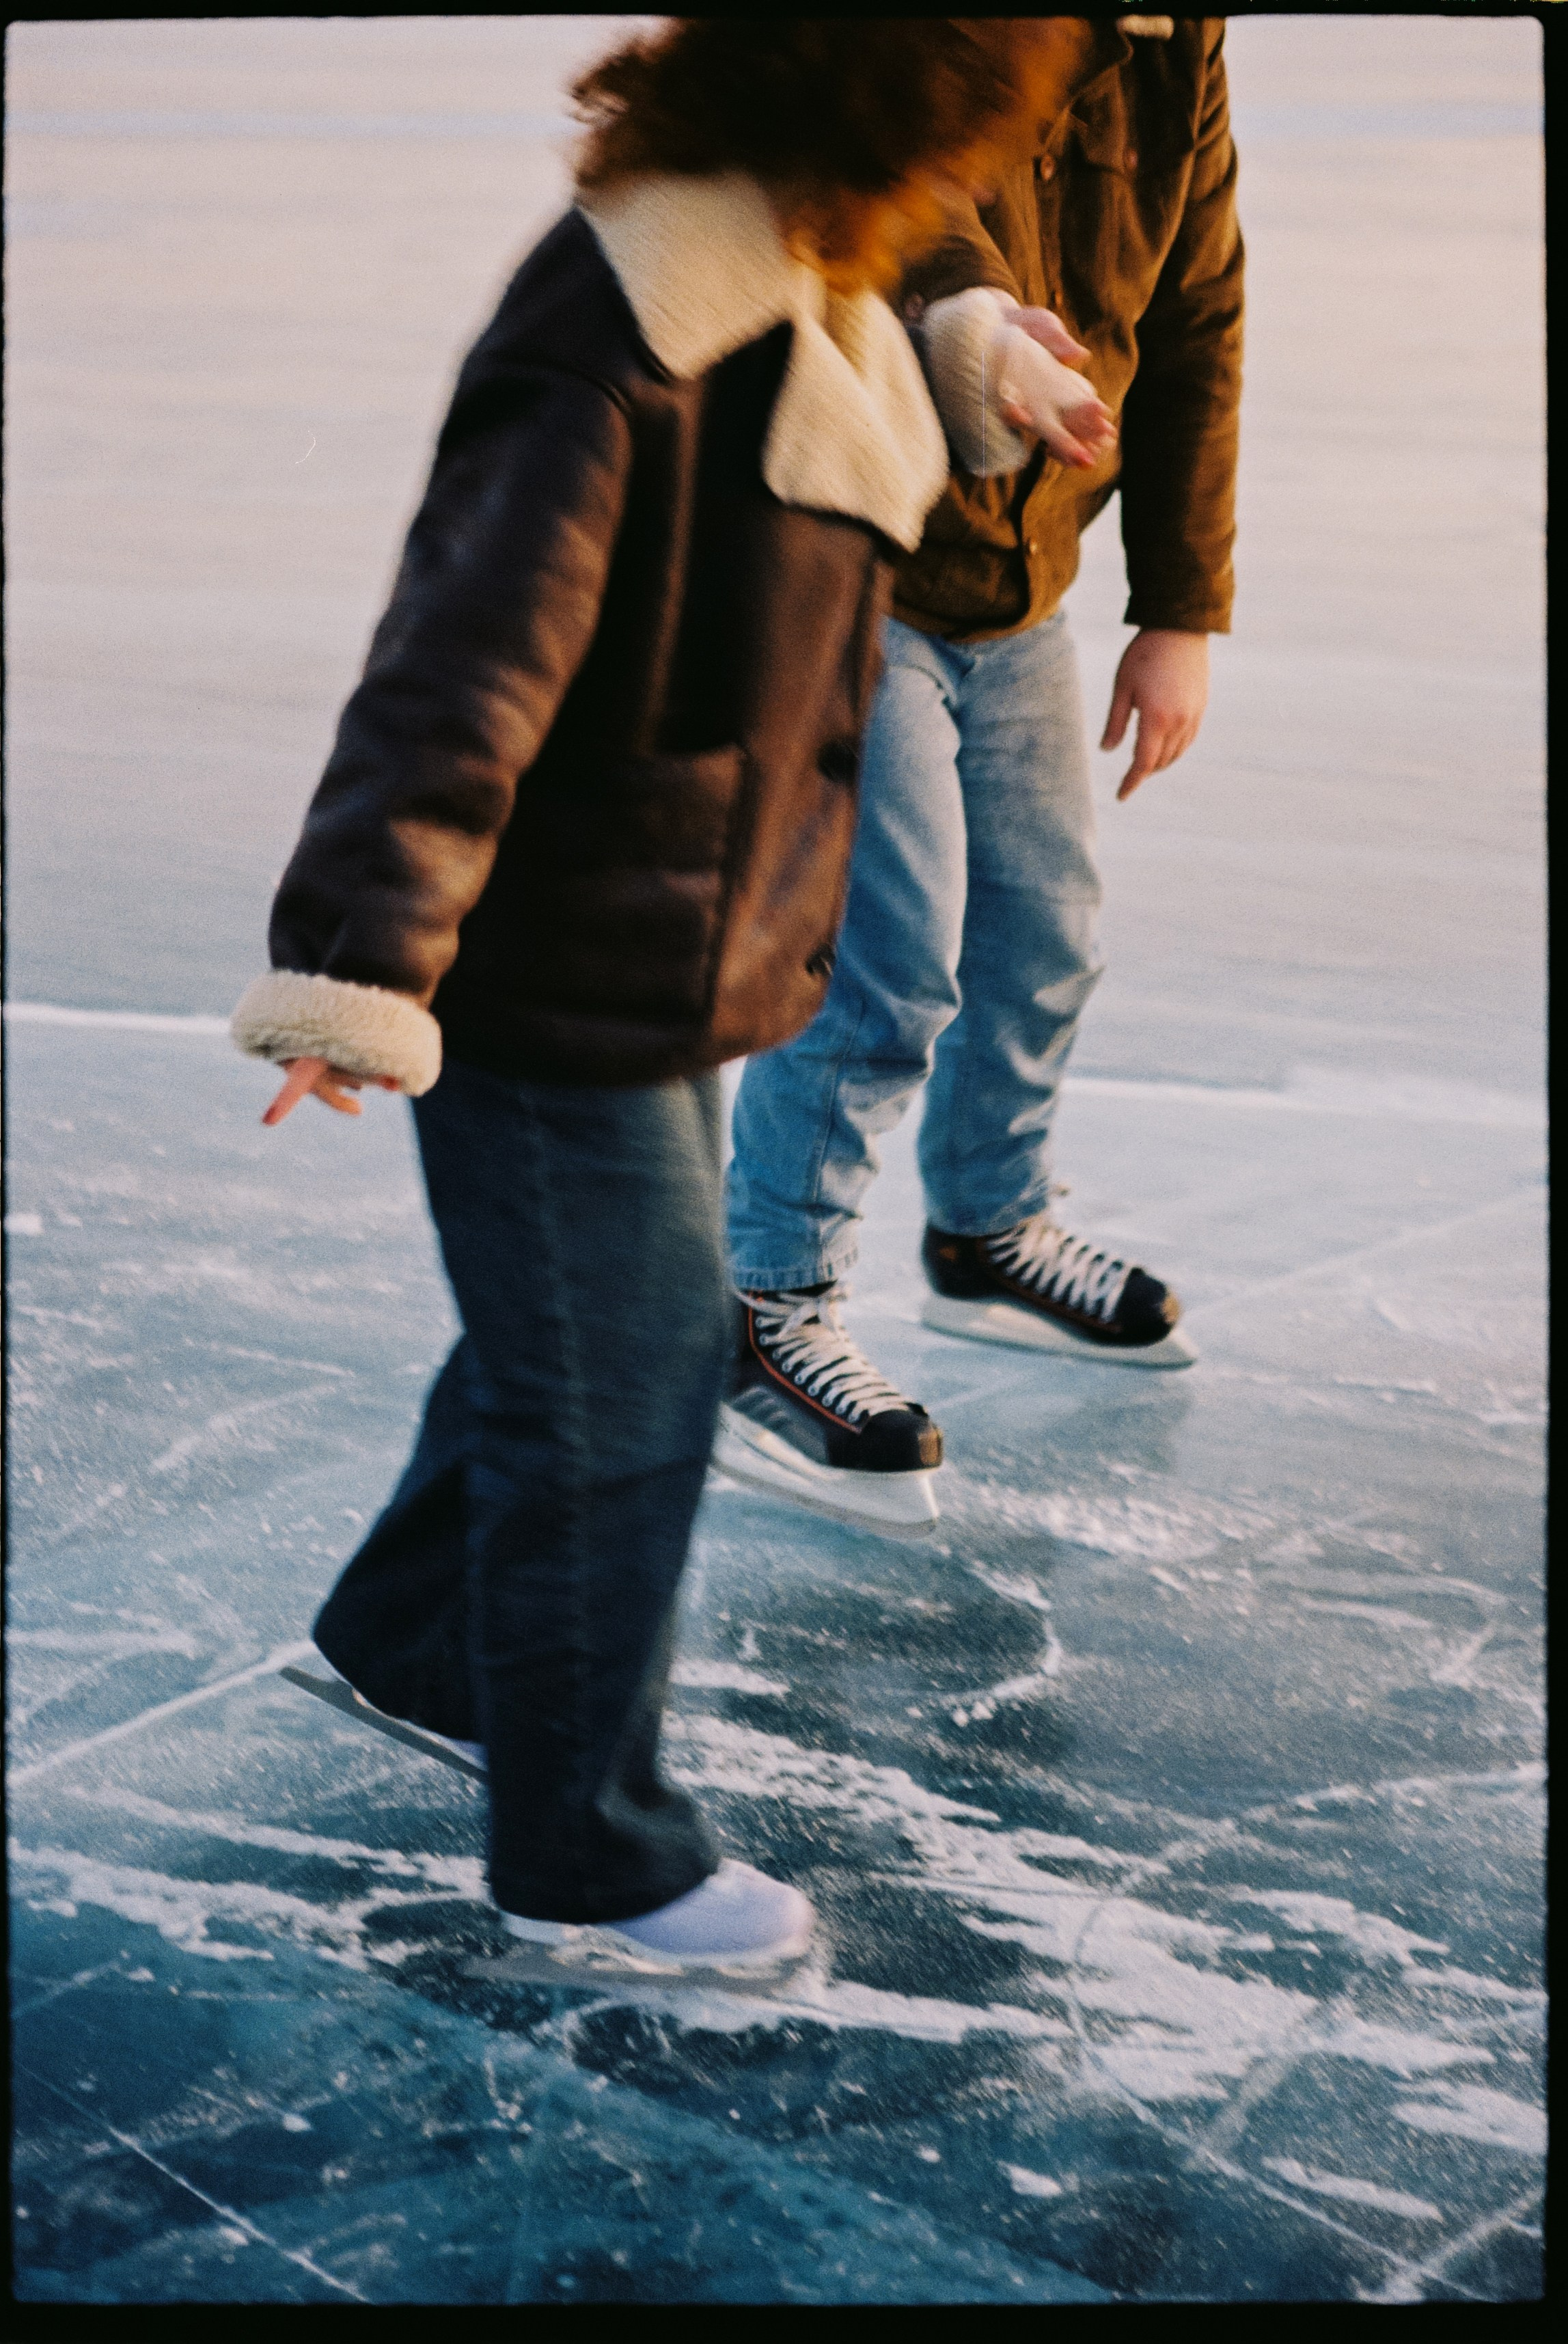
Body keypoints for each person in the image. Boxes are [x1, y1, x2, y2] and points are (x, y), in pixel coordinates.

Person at [230, 20, 1093, 1976]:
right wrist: (363, 960)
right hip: (549, 970)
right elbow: (461, 654)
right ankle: (586, 1851)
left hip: (666, 946)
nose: (954, 193)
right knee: (617, 1386)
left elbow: (868, 323)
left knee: (617, 1328)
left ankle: (415, 1640)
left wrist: (975, 356)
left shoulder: (792, 264)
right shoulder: (632, 319)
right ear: (869, 104)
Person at [718, 14, 1244, 1537]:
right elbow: (898, 198)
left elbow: (1199, 309)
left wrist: (1178, 607)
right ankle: (770, 1302)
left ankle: (988, 1228)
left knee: (1038, 932)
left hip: (1023, 581)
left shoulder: (1179, 46)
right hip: (858, 558)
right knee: (885, 963)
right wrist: (975, 327)